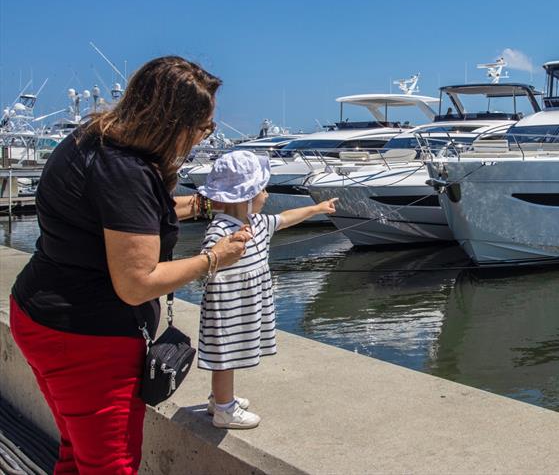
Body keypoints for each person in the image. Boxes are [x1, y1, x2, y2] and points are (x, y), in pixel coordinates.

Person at [10, 56, 252, 474]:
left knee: (75, 453)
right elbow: (138, 284)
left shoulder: (93, 141)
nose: (203, 137)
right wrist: (215, 258)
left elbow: (128, 217)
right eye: (203, 128)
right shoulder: (126, 170)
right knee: (110, 465)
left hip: (42, 313)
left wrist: (203, 204)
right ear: (171, 121)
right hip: (87, 339)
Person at [196, 151, 337, 429]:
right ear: (247, 196)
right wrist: (220, 250)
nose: (267, 195)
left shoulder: (257, 223)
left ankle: (219, 399)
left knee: (229, 356)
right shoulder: (222, 229)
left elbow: (285, 218)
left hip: (245, 303)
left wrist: (317, 209)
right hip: (228, 307)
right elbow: (207, 260)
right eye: (262, 190)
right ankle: (225, 410)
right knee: (226, 355)